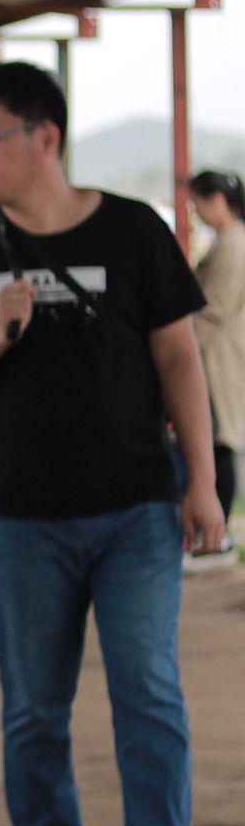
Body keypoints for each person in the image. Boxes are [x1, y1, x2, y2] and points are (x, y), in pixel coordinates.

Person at [0, 61, 220, 826]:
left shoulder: (134, 231)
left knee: (148, 690)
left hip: (137, 508)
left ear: (45, 137)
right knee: (34, 705)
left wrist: (202, 482)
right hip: (23, 516)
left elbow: (179, 357)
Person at [189, 168, 244, 561]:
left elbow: (214, 309)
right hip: (216, 354)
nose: (196, 212)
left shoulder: (233, 244)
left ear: (218, 201)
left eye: (198, 204)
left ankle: (217, 538)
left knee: (219, 441)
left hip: (218, 357)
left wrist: (178, 349)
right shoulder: (229, 241)